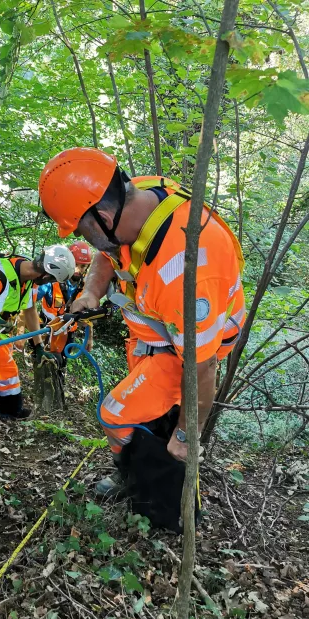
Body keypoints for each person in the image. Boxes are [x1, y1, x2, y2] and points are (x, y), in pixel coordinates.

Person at [39, 147, 245, 530]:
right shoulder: (139, 197)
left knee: (115, 416)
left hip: (183, 354)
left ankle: (156, 501)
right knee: (149, 420)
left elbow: (202, 365)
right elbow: (108, 251)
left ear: (101, 215)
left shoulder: (187, 269)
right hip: (154, 339)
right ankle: (139, 472)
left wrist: (187, 437)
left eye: (83, 230)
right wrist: (90, 294)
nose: (88, 240)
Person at [0, 245, 75, 420]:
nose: (49, 283)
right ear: (46, 275)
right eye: (51, 280)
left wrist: (38, 346)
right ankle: (11, 410)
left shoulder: (29, 280)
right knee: (7, 368)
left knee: (0, 365)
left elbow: (30, 310)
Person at [37, 241, 94, 358]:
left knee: (61, 364)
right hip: (46, 330)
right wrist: (21, 329)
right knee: (43, 364)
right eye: (75, 264)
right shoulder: (53, 280)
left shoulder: (87, 286)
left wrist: (89, 337)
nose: (78, 270)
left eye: (82, 266)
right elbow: (28, 303)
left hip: (68, 333)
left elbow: (88, 315)